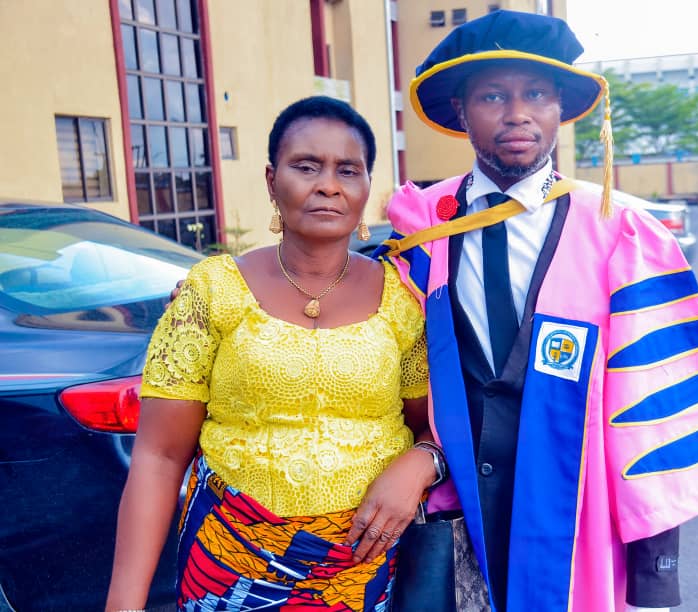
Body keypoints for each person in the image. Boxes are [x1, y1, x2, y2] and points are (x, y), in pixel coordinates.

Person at [378, 10, 698, 612]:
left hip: (577, 517)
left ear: (561, 108)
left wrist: (653, 572)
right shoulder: (422, 228)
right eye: (493, 95)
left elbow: (655, 408)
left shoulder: (620, 235)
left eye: (537, 94)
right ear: (462, 111)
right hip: (455, 509)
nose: (517, 113)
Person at [105, 96, 445, 611]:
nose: (328, 185)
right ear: (271, 180)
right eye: (306, 166)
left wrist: (420, 463)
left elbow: (433, 426)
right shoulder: (213, 292)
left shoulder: (404, 300)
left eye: (347, 170)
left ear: (366, 187)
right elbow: (159, 456)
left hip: (361, 573)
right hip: (228, 565)